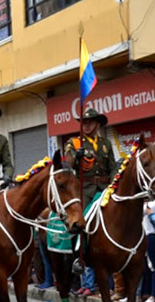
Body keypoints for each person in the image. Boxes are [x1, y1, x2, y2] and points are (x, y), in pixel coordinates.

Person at [64, 108, 117, 287]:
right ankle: (78, 258)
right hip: (84, 189)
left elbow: (112, 167)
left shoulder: (105, 144)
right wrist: (76, 157)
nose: (86, 125)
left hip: (104, 188)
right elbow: (68, 163)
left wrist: (113, 184)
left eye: (90, 122)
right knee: (79, 223)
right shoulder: (74, 141)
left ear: (97, 124)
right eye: (83, 122)